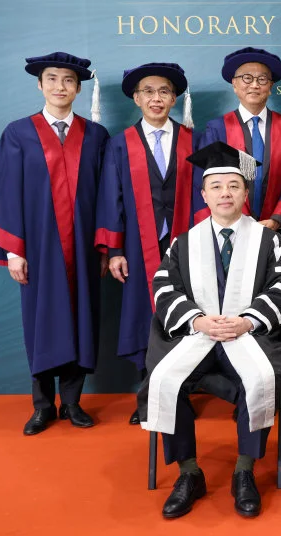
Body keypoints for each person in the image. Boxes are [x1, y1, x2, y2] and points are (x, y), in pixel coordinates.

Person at [137, 141, 281, 519]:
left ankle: (245, 470)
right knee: (164, 379)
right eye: (217, 186)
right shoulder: (184, 242)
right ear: (204, 194)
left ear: (245, 193)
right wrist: (196, 319)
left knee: (260, 377)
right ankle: (189, 473)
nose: (226, 193)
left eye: (234, 186)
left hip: (251, 335)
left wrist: (248, 320)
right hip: (197, 335)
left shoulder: (269, 239)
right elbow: (163, 286)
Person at [0, 52, 108, 435]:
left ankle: (72, 403)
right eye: (52, 79)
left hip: (84, 247)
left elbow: (106, 195)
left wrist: (105, 246)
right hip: (38, 248)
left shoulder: (96, 136)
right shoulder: (18, 133)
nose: (60, 87)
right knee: (41, 322)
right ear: (40, 84)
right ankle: (42, 406)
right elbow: (6, 193)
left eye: (69, 81)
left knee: (80, 320)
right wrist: (14, 250)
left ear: (78, 88)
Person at [199, 46, 281, 382]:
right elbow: (214, 182)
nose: (254, 85)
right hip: (234, 236)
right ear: (234, 85)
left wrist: (276, 221)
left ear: (271, 86)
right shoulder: (217, 129)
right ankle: (242, 385)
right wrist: (245, 224)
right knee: (237, 304)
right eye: (246, 79)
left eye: (262, 79)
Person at [95, 62, 199, 425]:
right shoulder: (120, 143)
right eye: (149, 92)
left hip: (185, 245)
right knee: (144, 317)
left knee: (187, 313)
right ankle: (149, 398)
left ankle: (180, 395)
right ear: (137, 99)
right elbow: (112, 199)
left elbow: (205, 195)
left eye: (165, 92)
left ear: (175, 98)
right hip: (139, 248)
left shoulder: (192, 140)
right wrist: (115, 251)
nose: (157, 99)